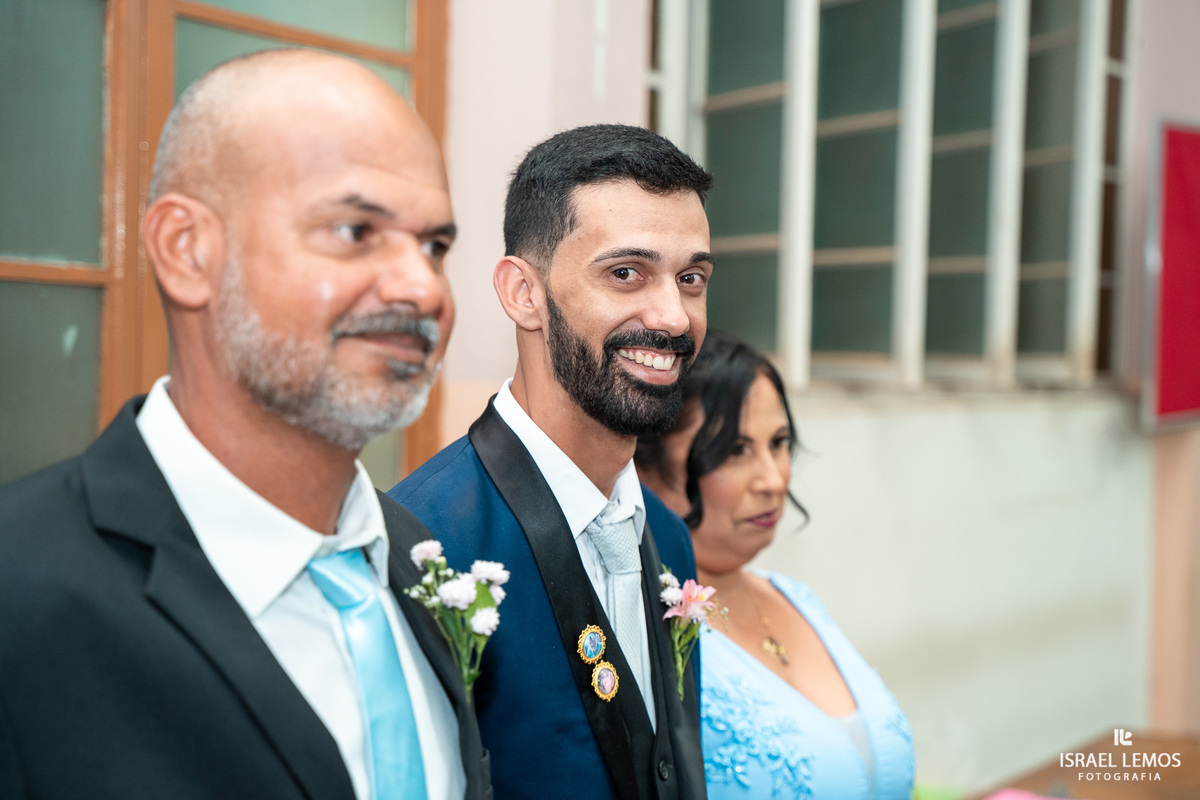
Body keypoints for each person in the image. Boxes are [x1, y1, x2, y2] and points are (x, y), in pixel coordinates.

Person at [0, 50, 490, 800]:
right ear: (186, 251)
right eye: (356, 230)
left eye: (435, 245)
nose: (423, 287)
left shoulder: (418, 555)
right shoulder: (22, 588)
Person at [391, 124, 714, 800]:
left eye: (691, 278)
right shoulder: (424, 546)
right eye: (626, 273)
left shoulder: (671, 538)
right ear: (523, 294)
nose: (675, 316)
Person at [636, 330, 915, 800]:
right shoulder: (643, 633)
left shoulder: (795, 598)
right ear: (646, 466)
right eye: (735, 450)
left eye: (779, 442)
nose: (772, 478)